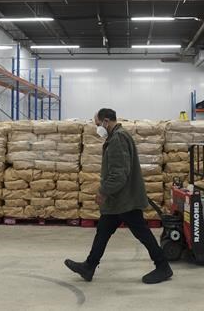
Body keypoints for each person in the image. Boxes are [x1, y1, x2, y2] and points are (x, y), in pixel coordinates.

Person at [64, 108, 173, 284]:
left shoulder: (117, 139)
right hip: (118, 201)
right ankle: (89, 266)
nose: (97, 128)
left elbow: (119, 174)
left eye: (98, 124)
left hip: (125, 200)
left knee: (142, 233)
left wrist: (103, 191)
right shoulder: (117, 136)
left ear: (106, 121)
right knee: (103, 231)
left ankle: (163, 266)